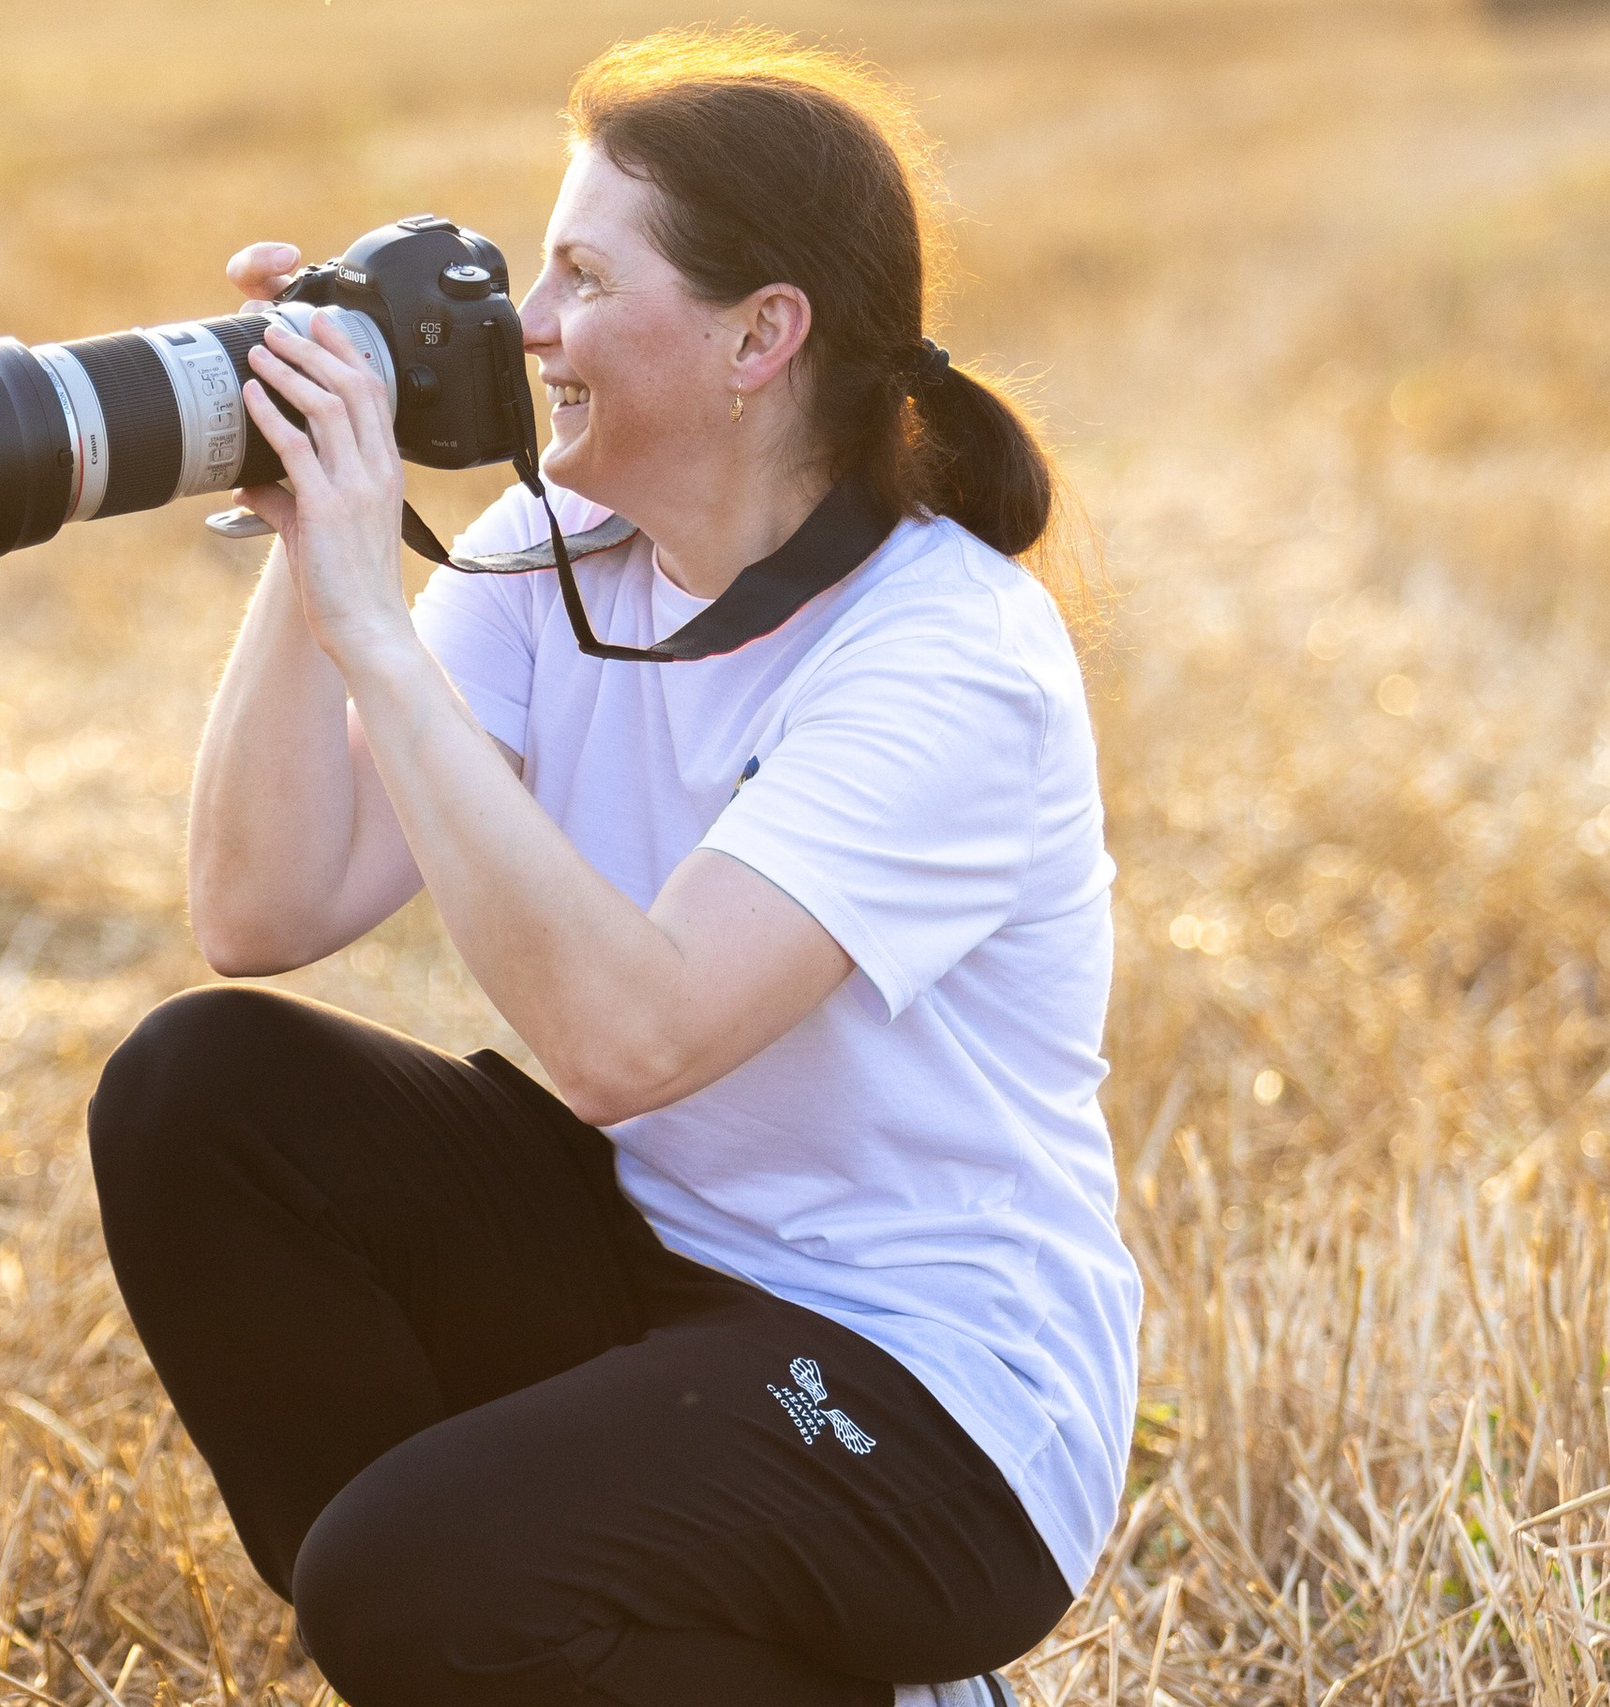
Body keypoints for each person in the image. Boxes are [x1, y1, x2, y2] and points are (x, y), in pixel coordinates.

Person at [86, 25, 1139, 1707]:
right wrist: (306, 544)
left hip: (929, 1399)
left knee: (409, 1580)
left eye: (581, 276)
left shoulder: (945, 658)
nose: (531, 328)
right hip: (654, 1266)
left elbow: (629, 1042)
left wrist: (378, 608)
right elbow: (260, 912)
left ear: (758, 336)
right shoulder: (550, 553)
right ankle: (520, 1642)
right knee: (199, 1089)